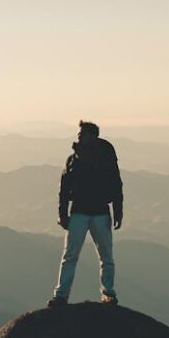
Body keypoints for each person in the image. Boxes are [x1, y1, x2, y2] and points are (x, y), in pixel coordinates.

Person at [48, 120, 123, 306]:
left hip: (92, 213)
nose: (79, 137)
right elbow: (64, 189)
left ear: (92, 136)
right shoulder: (74, 159)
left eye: (82, 134)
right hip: (88, 212)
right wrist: (62, 213)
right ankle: (63, 295)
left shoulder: (104, 158)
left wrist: (118, 212)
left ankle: (105, 294)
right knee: (81, 256)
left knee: (94, 257)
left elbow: (116, 184)